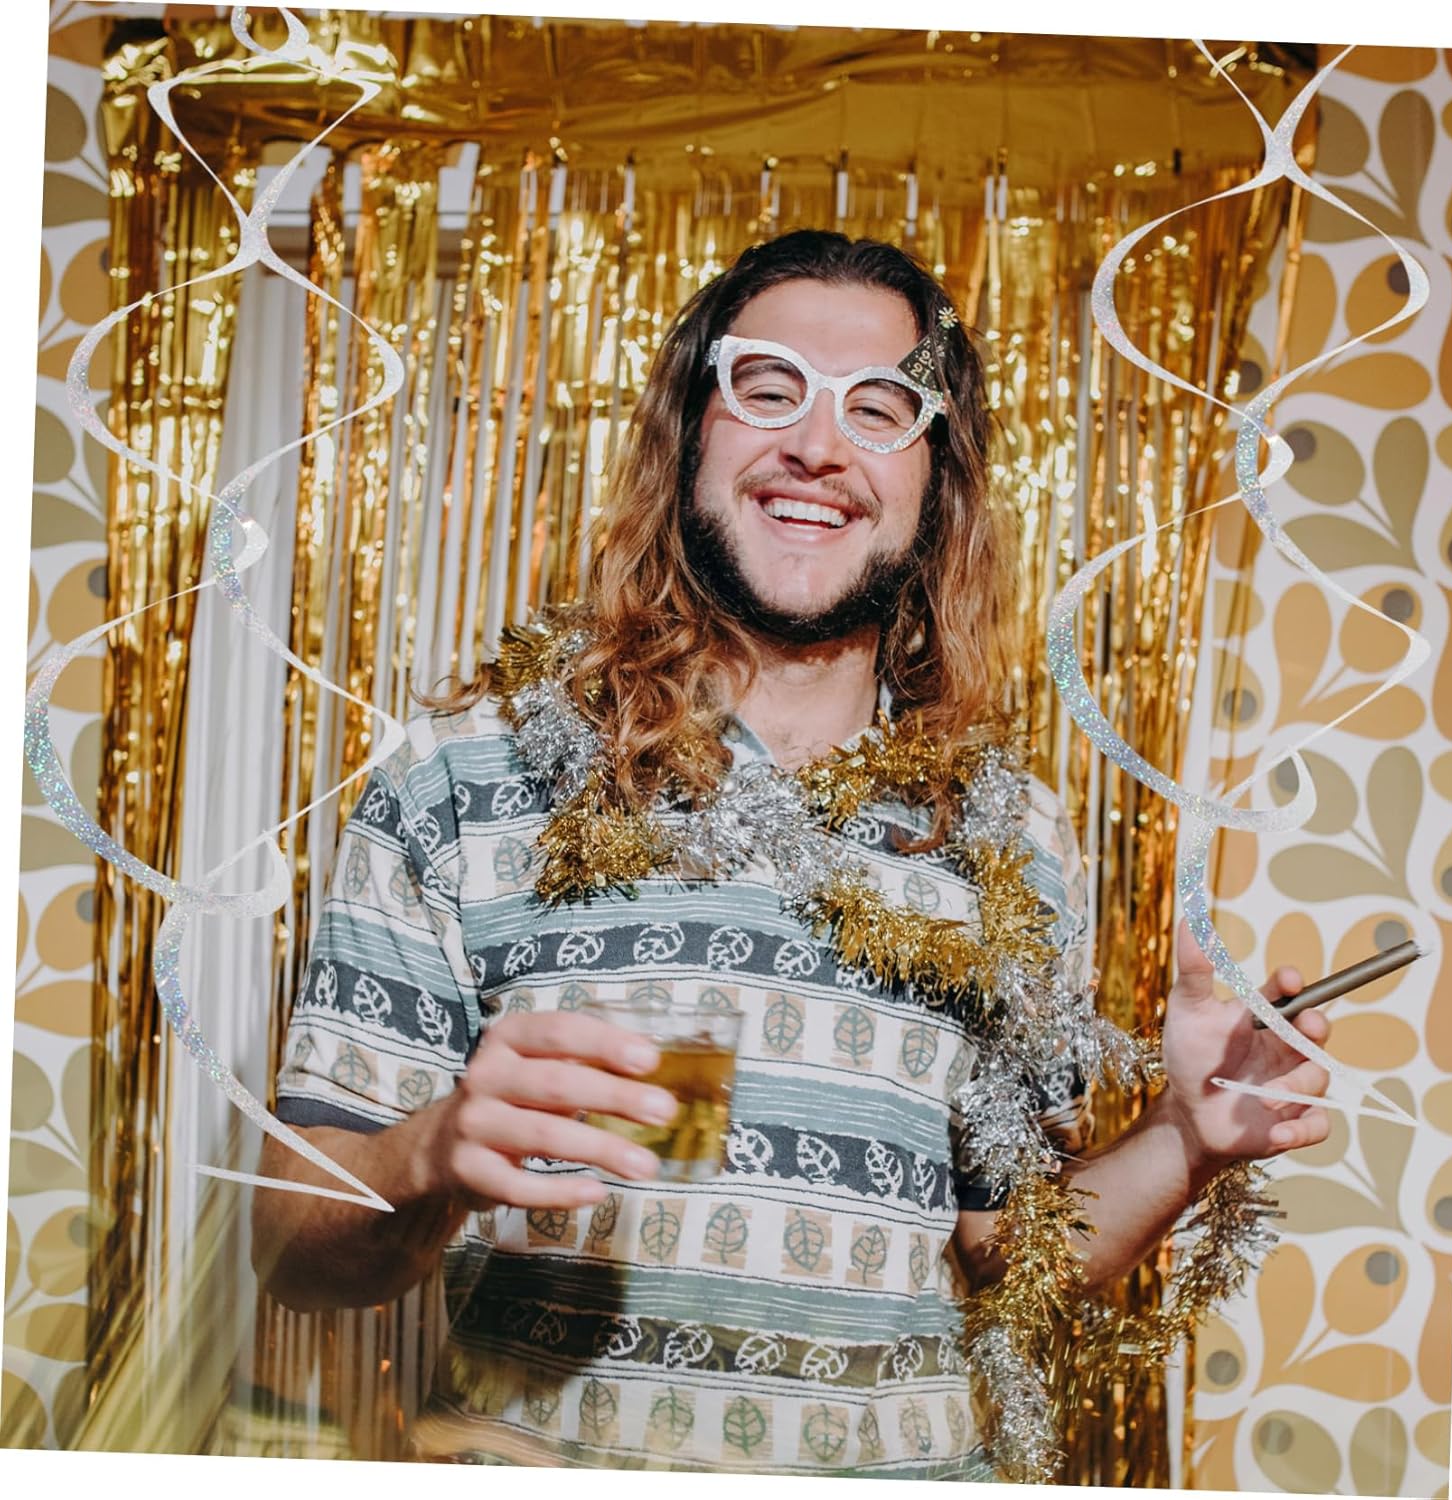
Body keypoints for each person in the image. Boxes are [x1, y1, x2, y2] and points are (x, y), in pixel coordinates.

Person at [250, 230, 1332, 1477]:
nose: (818, 446)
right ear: (687, 436)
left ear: (937, 482)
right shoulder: (469, 773)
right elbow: (292, 1250)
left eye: (878, 408)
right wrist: (428, 1151)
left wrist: (1189, 1137)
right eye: (768, 389)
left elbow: (1012, 1253)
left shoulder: (1009, 836)